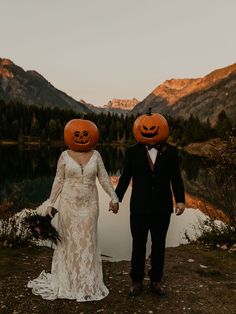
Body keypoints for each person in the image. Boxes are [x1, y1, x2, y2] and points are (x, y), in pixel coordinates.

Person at [27, 119, 119, 302]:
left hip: (90, 204)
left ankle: (86, 283)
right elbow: (59, 180)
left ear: (92, 136)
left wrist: (114, 197)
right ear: (69, 136)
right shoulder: (64, 155)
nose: (82, 138)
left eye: (85, 135)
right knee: (68, 241)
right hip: (68, 204)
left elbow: (104, 179)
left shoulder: (96, 155)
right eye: (77, 134)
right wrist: (51, 202)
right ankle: (68, 282)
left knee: (87, 241)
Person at [110, 111, 185, 297]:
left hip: (162, 207)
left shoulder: (171, 152)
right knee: (138, 244)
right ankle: (136, 281)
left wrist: (181, 200)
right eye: (146, 129)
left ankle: (156, 280)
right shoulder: (132, 152)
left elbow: (176, 178)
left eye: (154, 129)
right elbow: (125, 178)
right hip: (139, 207)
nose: (150, 131)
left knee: (159, 244)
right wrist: (116, 199)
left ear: (161, 129)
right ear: (139, 130)